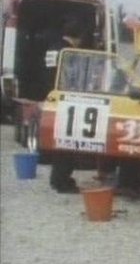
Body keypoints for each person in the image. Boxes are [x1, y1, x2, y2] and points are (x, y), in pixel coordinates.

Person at [47, 18, 83, 193]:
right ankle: (62, 180)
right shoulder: (68, 52)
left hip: (52, 98)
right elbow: (71, 79)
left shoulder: (53, 48)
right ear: (77, 37)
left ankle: (56, 179)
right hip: (66, 102)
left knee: (60, 143)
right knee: (68, 144)